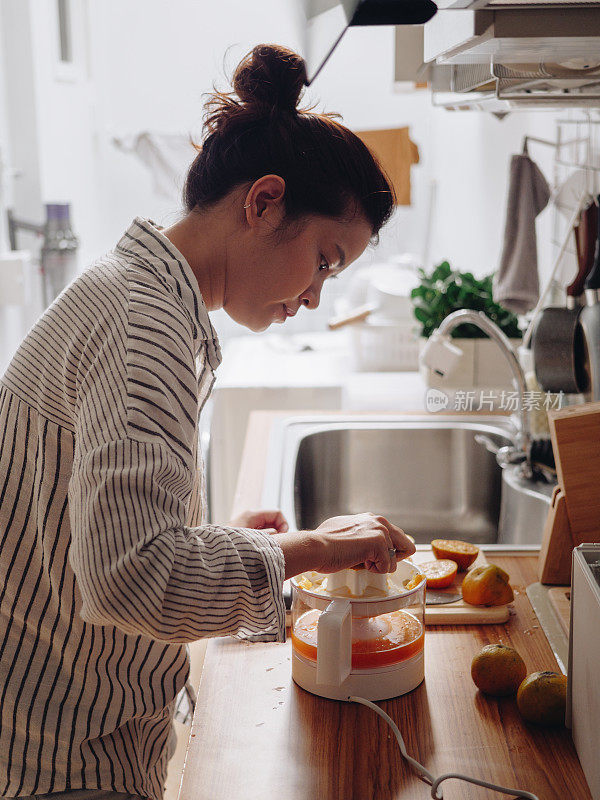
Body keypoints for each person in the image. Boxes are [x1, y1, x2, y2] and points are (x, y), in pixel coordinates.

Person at [0, 44, 415, 800]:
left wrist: (225, 540)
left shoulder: (137, 296)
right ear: (262, 203)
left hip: (54, 729)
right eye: (324, 259)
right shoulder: (142, 329)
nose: (317, 296)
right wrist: (310, 547)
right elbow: (131, 579)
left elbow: (101, 533)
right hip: (58, 762)